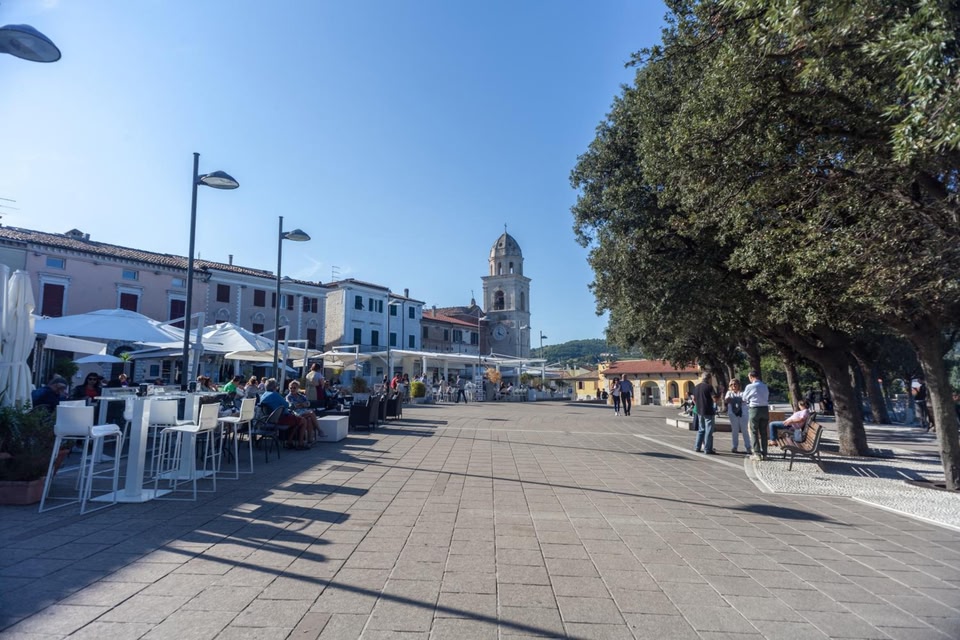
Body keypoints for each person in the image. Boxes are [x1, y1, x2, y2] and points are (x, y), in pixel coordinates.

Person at [258, 378, 310, 449]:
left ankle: (289, 442)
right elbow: (287, 405)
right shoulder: (275, 395)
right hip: (278, 419)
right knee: (303, 420)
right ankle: (301, 444)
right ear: (274, 387)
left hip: (266, 419)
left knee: (298, 421)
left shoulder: (263, 395)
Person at [743, 370, 771, 460]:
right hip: (765, 409)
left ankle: (757, 453)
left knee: (754, 431)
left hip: (754, 409)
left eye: (749, 377)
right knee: (764, 432)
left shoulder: (750, 386)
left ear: (751, 377)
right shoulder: (764, 386)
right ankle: (765, 453)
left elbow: (744, 398)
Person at [693, 373, 719, 454]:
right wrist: (720, 392)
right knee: (709, 430)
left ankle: (697, 447)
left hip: (699, 411)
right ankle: (707, 449)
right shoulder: (709, 387)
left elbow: (694, 399)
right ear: (709, 378)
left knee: (701, 429)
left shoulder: (696, 387)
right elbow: (715, 399)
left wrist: (698, 405)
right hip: (708, 411)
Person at [725, 379, 751, 454]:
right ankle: (734, 446)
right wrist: (738, 400)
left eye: (735, 384)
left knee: (744, 430)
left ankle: (748, 447)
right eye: (731, 384)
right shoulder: (729, 393)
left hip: (743, 413)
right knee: (734, 430)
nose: (733, 386)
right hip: (733, 413)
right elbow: (727, 400)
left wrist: (733, 400)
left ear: (738, 385)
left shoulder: (743, 393)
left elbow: (745, 400)